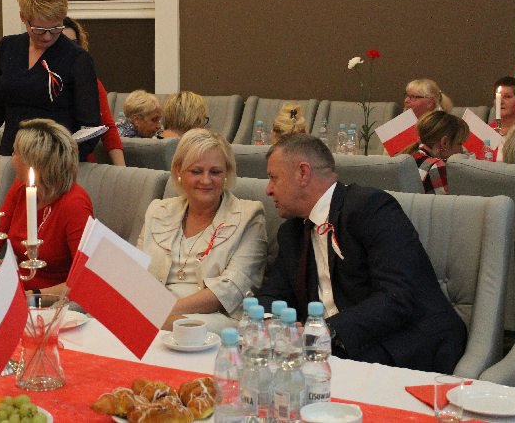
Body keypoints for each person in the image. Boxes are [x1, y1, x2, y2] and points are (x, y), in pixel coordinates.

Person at [258, 134, 466, 373]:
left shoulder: (370, 207)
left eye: (273, 178)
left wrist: (326, 331)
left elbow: (398, 296)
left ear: (303, 173)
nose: (268, 190)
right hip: (333, 350)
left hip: (403, 342)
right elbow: (273, 294)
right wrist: (271, 323)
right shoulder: (292, 232)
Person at [138, 129, 268, 333]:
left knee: (176, 327)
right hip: (152, 312)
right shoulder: (158, 210)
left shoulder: (250, 216)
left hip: (213, 318)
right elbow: (137, 272)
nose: (206, 180)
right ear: (179, 171)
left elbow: (231, 289)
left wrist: (162, 312)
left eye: (215, 172)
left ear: (226, 173)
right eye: (196, 171)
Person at [0, 0, 101, 161]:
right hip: (12, 156)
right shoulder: (8, 47)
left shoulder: (77, 58)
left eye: (56, 28)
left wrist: (63, 157)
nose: (47, 37)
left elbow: (90, 127)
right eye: (39, 29)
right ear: (23, 18)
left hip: (54, 162)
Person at [0, 119, 93, 293]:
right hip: (14, 288)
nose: (11, 157)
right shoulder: (21, 187)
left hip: (52, 299)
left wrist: (33, 295)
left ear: (32, 162)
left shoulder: (75, 204)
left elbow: (84, 279)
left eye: (15, 152)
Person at [63, 17, 125, 166]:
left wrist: (121, 169)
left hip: (80, 163)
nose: (69, 49)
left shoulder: (91, 82)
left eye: (74, 43)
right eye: (63, 43)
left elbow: (108, 127)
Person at [401, 111, 469, 194]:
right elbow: (450, 202)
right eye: (459, 143)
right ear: (444, 143)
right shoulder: (436, 167)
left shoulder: (409, 157)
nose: (462, 150)